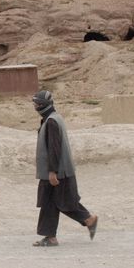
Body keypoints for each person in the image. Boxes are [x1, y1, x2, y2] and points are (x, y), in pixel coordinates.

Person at [32, 89, 98, 247]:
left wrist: (53, 171)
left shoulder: (52, 121)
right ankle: (52, 236)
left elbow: (54, 148)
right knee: (53, 202)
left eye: (36, 104)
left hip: (57, 172)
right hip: (56, 171)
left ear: (42, 105)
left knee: (63, 202)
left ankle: (88, 220)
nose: (34, 106)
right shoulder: (52, 118)